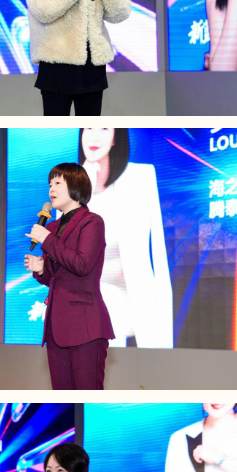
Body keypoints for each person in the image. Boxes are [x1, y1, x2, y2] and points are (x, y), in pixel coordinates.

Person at [24, 163, 115, 390]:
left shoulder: (92, 222)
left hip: (85, 325)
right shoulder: (52, 227)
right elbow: (56, 278)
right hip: (56, 326)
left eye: (57, 183)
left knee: (87, 395)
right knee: (62, 400)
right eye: (50, 184)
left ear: (75, 186)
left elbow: (82, 265)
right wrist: (41, 269)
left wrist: (47, 240)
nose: (51, 189)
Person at [79, 128, 172, 347]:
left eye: (104, 129)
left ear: (115, 138)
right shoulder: (69, 185)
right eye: (88, 128)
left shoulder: (140, 176)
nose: (94, 136)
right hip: (94, 298)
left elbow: (158, 245)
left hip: (139, 292)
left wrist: (161, 296)